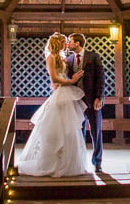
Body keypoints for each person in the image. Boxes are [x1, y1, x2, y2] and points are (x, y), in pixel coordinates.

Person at [18, 33, 88, 177]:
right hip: (60, 94)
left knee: (69, 129)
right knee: (56, 130)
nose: (66, 44)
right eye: (64, 41)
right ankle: (51, 162)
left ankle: (68, 163)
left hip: (66, 94)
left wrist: (70, 80)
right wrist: (71, 81)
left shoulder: (62, 58)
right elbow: (54, 78)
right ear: (58, 43)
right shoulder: (50, 57)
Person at [66, 33, 105, 173]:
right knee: (78, 133)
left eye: (70, 41)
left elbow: (101, 77)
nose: (68, 44)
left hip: (93, 101)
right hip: (76, 102)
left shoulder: (93, 56)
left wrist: (99, 97)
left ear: (77, 43)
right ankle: (80, 162)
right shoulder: (69, 59)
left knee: (96, 132)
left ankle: (98, 163)